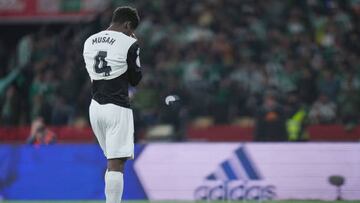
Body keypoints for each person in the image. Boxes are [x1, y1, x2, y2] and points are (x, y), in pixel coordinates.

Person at [82, 6, 142, 203]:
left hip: (95, 108)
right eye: (131, 28)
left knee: (111, 160)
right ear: (126, 24)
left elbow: (93, 75)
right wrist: (133, 46)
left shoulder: (89, 41)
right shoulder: (129, 42)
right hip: (117, 107)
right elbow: (135, 79)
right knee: (116, 163)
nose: (132, 33)